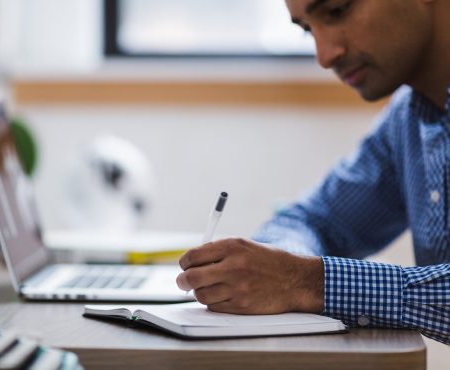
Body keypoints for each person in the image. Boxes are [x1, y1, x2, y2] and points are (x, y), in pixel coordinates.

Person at [176, 0, 450, 345]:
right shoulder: (408, 118)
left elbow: (303, 274)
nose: (325, 56)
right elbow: (314, 220)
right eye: (307, 29)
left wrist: (305, 281)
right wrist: (273, 267)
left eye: (337, 11)